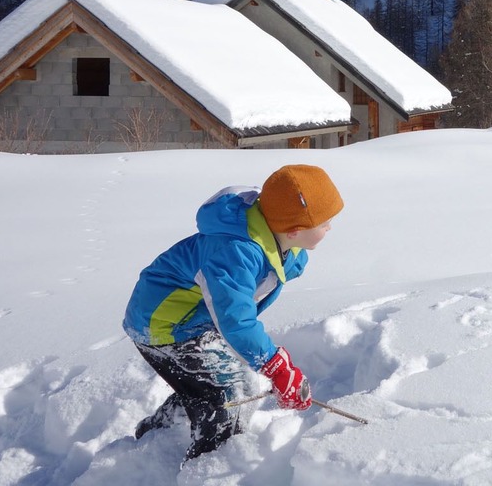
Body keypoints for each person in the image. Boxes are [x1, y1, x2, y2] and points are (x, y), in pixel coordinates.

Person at [122, 163, 344, 461]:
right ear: (295, 231)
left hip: (195, 321)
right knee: (228, 398)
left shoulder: (275, 236)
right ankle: (207, 468)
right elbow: (235, 318)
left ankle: (163, 430)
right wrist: (276, 366)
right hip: (163, 324)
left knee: (223, 383)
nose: (330, 228)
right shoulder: (235, 253)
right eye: (326, 223)